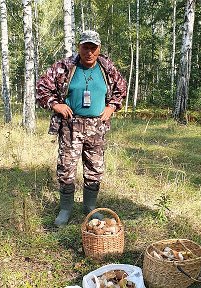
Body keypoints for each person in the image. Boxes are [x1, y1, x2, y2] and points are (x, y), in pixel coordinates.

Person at [36, 30, 127, 227]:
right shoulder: (65, 66)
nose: (89, 52)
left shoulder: (106, 67)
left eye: (93, 48)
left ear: (99, 49)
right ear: (79, 47)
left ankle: (90, 208)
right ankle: (65, 209)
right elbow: (42, 86)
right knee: (66, 167)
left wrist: (111, 107)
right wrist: (55, 104)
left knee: (95, 168)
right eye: (85, 47)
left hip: (97, 126)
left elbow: (121, 87)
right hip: (71, 125)